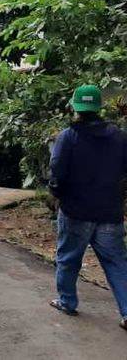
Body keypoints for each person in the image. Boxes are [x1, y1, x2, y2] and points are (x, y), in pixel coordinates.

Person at [48, 84, 127, 331]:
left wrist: (59, 195)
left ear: (74, 107)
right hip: (109, 212)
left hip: (76, 212)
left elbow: (56, 173)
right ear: (99, 107)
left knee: (69, 259)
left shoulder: (68, 137)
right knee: (116, 262)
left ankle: (67, 302)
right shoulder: (119, 136)